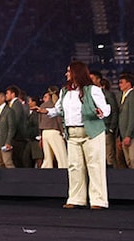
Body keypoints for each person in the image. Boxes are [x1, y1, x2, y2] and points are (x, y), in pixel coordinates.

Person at [36, 61, 110, 209]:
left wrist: (101, 113)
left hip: (91, 132)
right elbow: (59, 109)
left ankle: (98, 200)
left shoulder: (92, 90)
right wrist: (47, 112)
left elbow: (106, 108)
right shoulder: (65, 92)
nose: (66, 74)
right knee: (74, 166)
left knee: (95, 165)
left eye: (69, 71)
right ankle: (76, 198)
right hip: (72, 133)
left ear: (77, 72)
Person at [38, 86, 67, 169]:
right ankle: (64, 172)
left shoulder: (43, 105)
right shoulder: (56, 105)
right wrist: (63, 132)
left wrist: (40, 135)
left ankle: (45, 174)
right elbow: (59, 120)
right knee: (61, 156)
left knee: (47, 158)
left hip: (44, 133)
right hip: (54, 132)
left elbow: (39, 121)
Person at [0, 90, 16, 168]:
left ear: (3, 98)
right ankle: (4, 179)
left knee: (7, 162)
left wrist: (8, 142)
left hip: (5, 141)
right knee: (0, 163)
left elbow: (12, 127)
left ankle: (14, 179)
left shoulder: (9, 111)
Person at [118, 72, 134, 168]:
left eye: (121, 82)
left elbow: (132, 116)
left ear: (128, 83)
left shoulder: (132, 96)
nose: (120, 85)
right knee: (128, 161)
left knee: (132, 160)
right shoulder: (124, 96)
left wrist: (128, 135)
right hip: (124, 136)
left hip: (130, 136)